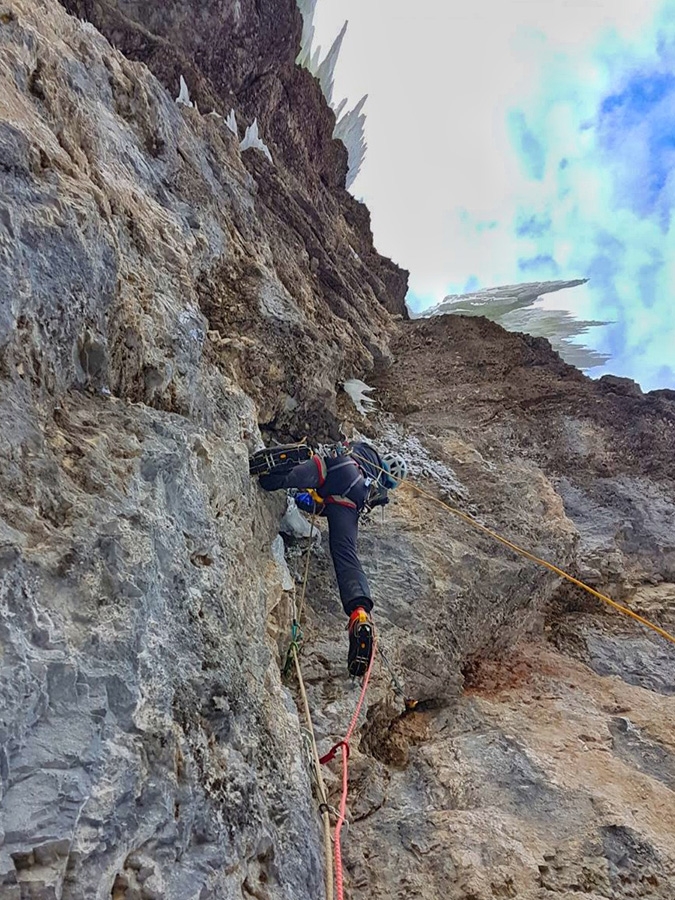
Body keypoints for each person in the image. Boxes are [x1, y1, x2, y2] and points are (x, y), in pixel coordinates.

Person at [252, 441, 408, 677]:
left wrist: (306, 494)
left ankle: (290, 463)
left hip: (337, 465)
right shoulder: (378, 490)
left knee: (273, 480)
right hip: (351, 497)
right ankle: (359, 613)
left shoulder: (364, 449)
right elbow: (320, 505)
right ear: (392, 483)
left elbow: (340, 451)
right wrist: (319, 506)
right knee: (346, 555)